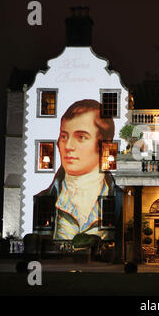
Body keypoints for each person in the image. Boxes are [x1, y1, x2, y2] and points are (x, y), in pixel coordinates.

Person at [35, 99, 122, 240]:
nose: (68, 146)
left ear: (104, 145)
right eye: (64, 136)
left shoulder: (121, 200)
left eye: (81, 137)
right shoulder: (44, 200)